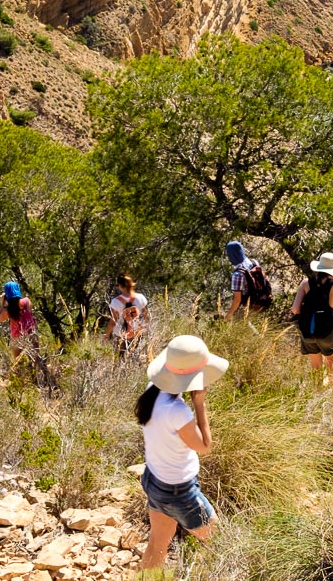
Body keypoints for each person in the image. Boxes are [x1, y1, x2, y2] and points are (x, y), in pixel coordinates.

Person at [136, 335, 229, 573]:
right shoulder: (177, 411)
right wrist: (200, 403)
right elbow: (204, 445)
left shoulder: (153, 392)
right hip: (180, 492)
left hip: (155, 480)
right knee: (222, 545)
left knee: (157, 544)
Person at [291, 252, 333, 387]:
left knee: (315, 366)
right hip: (328, 332)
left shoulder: (306, 283)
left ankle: (317, 394)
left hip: (308, 332)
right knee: (331, 362)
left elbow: (294, 309)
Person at [224, 240, 271, 320]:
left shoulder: (237, 274)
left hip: (251, 306)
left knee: (242, 327)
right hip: (263, 300)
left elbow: (237, 299)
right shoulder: (253, 262)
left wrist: (229, 315)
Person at [104, 274, 149, 355]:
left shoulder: (116, 301)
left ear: (120, 286)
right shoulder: (141, 298)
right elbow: (147, 317)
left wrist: (106, 336)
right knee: (137, 356)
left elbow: (113, 322)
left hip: (121, 335)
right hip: (138, 334)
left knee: (120, 358)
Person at [0, 281, 39, 362]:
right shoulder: (26, 301)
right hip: (31, 333)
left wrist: (2, 304)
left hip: (17, 338)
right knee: (36, 359)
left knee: (19, 363)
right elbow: (29, 311)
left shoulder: (8, 310)